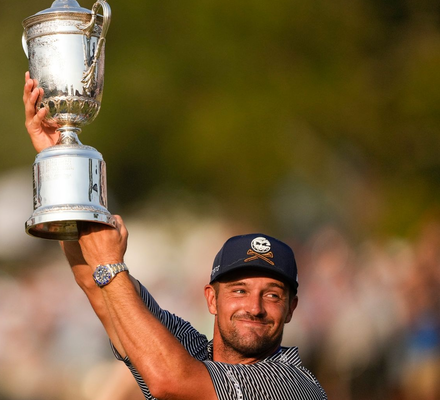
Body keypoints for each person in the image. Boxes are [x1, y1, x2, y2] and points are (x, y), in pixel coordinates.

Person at [22, 73, 328, 400]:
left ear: (291, 308)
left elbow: (170, 381)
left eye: (272, 296)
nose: (254, 307)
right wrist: (61, 163)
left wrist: (110, 264)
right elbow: (95, 283)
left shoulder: (290, 383)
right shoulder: (192, 352)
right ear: (211, 299)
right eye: (240, 290)